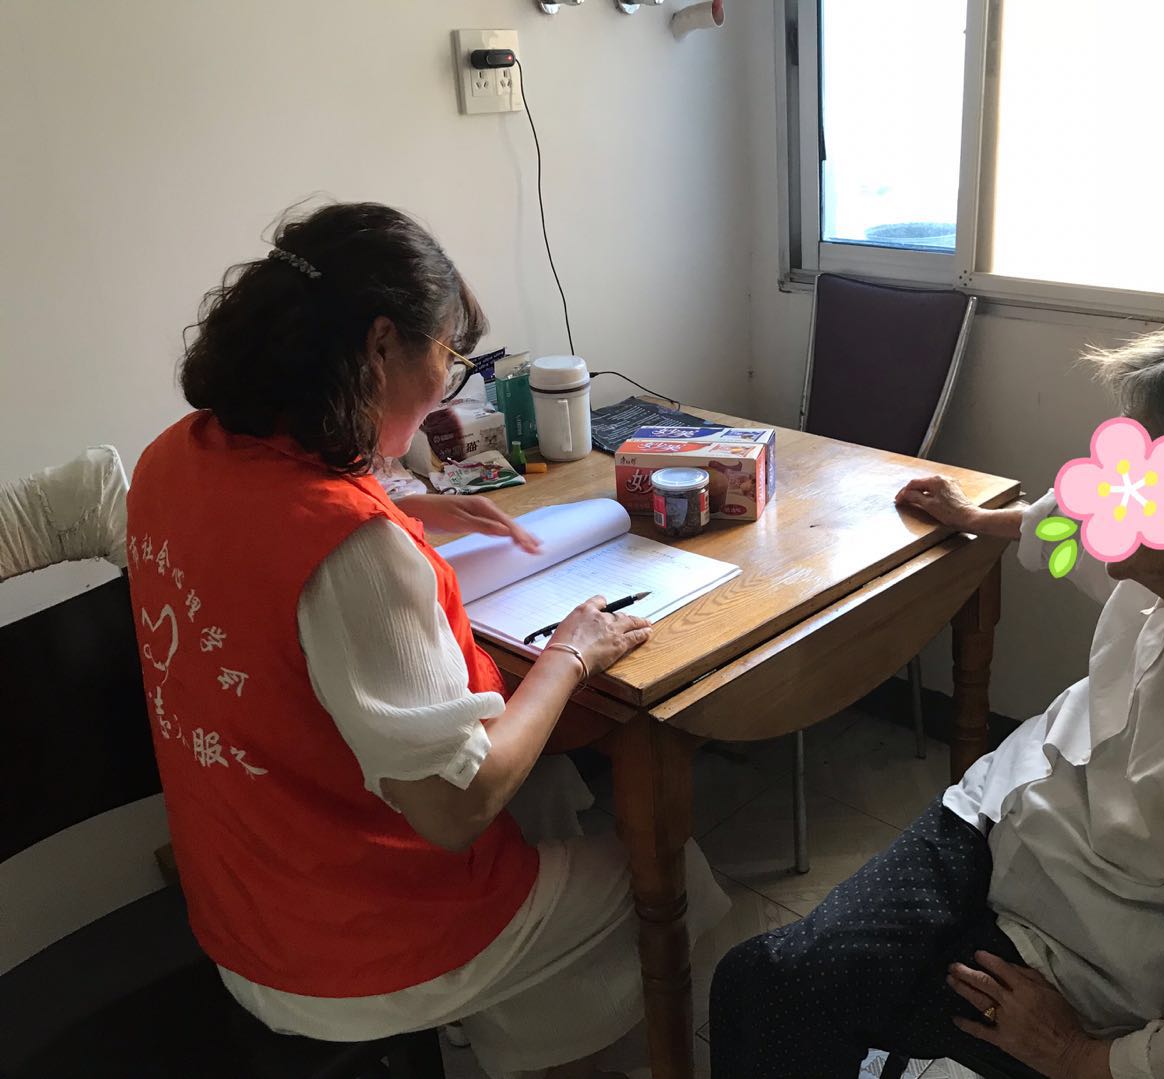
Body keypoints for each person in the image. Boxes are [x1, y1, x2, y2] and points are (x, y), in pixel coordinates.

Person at [709, 320, 1164, 1079]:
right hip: (1000, 812)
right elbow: (1072, 526)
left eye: (1139, 470)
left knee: (787, 1006)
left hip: (1075, 944)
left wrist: (1080, 1056)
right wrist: (980, 519)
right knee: (764, 979)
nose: (1104, 489)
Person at [125, 201, 727, 1079]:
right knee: (673, 875)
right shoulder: (352, 551)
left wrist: (405, 506)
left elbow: (265, 543)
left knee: (546, 791)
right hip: (343, 951)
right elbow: (457, 807)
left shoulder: (174, 455)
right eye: (447, 357)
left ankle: (510, 1040)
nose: (446, 386)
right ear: (380, 346)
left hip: (242, 900)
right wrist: (570, 652)